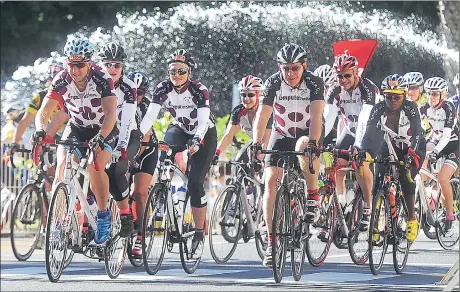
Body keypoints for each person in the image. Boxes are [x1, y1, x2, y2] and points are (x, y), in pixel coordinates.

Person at [34, 37, 118, 244]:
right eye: (71, 64)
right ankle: (58, 222)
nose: (75, 70)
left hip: (103, 129)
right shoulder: (62, 79)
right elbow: (44, 111)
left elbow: (110, 114)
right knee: (62, 165)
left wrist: (101, 137)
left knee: (94, 165)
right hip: (77, 128)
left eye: (80, 65)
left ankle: (103, 213)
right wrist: (39, 130)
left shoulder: (101, 78)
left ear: (90, 63)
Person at [251, 43, 325, 267]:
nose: (290, 73)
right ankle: (272, 243)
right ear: (279, 67)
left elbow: (316, 115)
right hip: (282, 132)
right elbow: (262, 116)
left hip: (308, 132)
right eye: (286, 68)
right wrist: (256, 142)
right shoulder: (273, 82)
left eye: (295, 68)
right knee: (271, 179)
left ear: (304, 66)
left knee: (303, 145)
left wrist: (313, 142)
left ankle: (312, 196)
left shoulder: (314, 82)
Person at [139, 49, 217, 258]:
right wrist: (138, 135)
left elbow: (202, 122)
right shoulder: (163, 88)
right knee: (164, 152)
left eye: (181, 71)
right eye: (172, 71)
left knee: (194, 183)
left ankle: (199, 234)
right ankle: (162, 200)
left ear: (189, 72)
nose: (176, 75)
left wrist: (196, 139)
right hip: (179, 129)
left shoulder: (199, 90)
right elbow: (150, 117)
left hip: (203, 134)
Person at [359, 74, 426, 243]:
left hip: (413, 146)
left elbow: (417, 134)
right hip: (389, 145)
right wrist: (363, 150)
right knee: (378, 178)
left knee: (406, 176)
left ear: (404, 95)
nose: (393, 100)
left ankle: (411, 217)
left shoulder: (411, 108)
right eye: (389, 96)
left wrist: (412, 154)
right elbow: (369, 132)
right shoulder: (378, 108)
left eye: (397, 97)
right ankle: (375, 222)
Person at [323, 53, 380, 231]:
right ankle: (339, 203)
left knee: (361, 164)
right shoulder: (334, 91)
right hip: (350, 129)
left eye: (347, 75)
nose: (343, 80)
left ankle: (368, 207)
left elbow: (364, 120)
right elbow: (327, 119)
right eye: (339, 76)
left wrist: (357, 146)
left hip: (371, 130)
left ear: (356, 73)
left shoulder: (367, 88)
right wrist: (318, 143)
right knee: (336, 163)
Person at [97, 42, 140, 237]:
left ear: (123, 68)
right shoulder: (95, 82)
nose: (112, 69)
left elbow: (128, 120)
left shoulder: (128, 87)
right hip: (106, 133)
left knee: (115, 170)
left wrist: (121, 147)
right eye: (108, 64)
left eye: (117, 65)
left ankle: (125, 215)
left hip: (128, 135)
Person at [419, 77, 459, 235]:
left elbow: (447, 135)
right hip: (435, 142)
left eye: (435, 94)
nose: (431, 97)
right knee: (418, 161)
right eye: (429, 94)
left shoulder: (449, 108)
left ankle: (450, 216)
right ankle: (423, 200)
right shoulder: (424, 108)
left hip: (453, 144)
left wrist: (434, 153)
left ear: (444, 94)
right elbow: (421, 131)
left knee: (443, 179)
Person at [126, 71, 158, 258]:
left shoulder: (147, 106)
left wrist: (133, 158)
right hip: (127, 149)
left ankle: (141, 234)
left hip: (146, 150)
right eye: (133, 92)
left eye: (141, 92)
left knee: (139, 192)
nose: (136, 96)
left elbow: (145, 135)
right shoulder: (121, 100)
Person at [213, 75, 271, 166]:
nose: (246, 99)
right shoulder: (238, 111)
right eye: (243, 95)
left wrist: (258, 158)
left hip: (272, 143)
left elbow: (267, 140)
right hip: (256, 144)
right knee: (239, 163)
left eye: (250, 95)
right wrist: (216, 153)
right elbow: (228, 136)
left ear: (259, 95)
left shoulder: (265, 110)